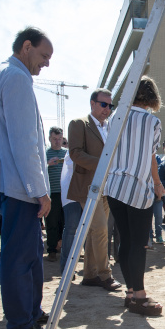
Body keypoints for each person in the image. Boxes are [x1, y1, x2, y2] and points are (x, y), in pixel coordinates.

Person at [0, 27, 52, 329]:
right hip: (19, 184)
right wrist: (40, 190)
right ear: (26, 47)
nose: (46, 64)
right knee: (20, 256)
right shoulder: (16, 78)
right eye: (44, 56)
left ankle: (30, 311)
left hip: (7, 181)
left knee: (29, 250)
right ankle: (20, 322)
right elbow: (25, 141)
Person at [104, 76, 165, 316]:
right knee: (139, 243)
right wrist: (158, 184)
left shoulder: (114, 118)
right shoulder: (152, 121)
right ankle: (139, 296)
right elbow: (151, 158)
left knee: (125, 241)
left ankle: (130, 293)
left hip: (114, 186)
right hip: (138, 186)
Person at [67, 89, 121, 291]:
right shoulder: (79, 123)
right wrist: (104, 163)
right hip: (88, 186)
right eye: (103, 104)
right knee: (100, 229)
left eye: (110, 106)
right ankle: (105, 275)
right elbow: (75, 153)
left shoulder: (111, 127)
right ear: (92, 103)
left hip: (108, 187)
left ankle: (90, 275)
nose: (107, 109)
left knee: (93, 232)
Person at [45, 126, 66, 262]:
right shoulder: (45, 154)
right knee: (51, 221)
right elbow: (39, 171)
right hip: (51, 193)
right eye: (54, 139)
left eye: (59, 139)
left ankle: (62, 246)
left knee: (65, 222)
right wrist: (47, 164)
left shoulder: (67, 153)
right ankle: (52, 249)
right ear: (49, 139)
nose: (57, 142)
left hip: (65, 193)